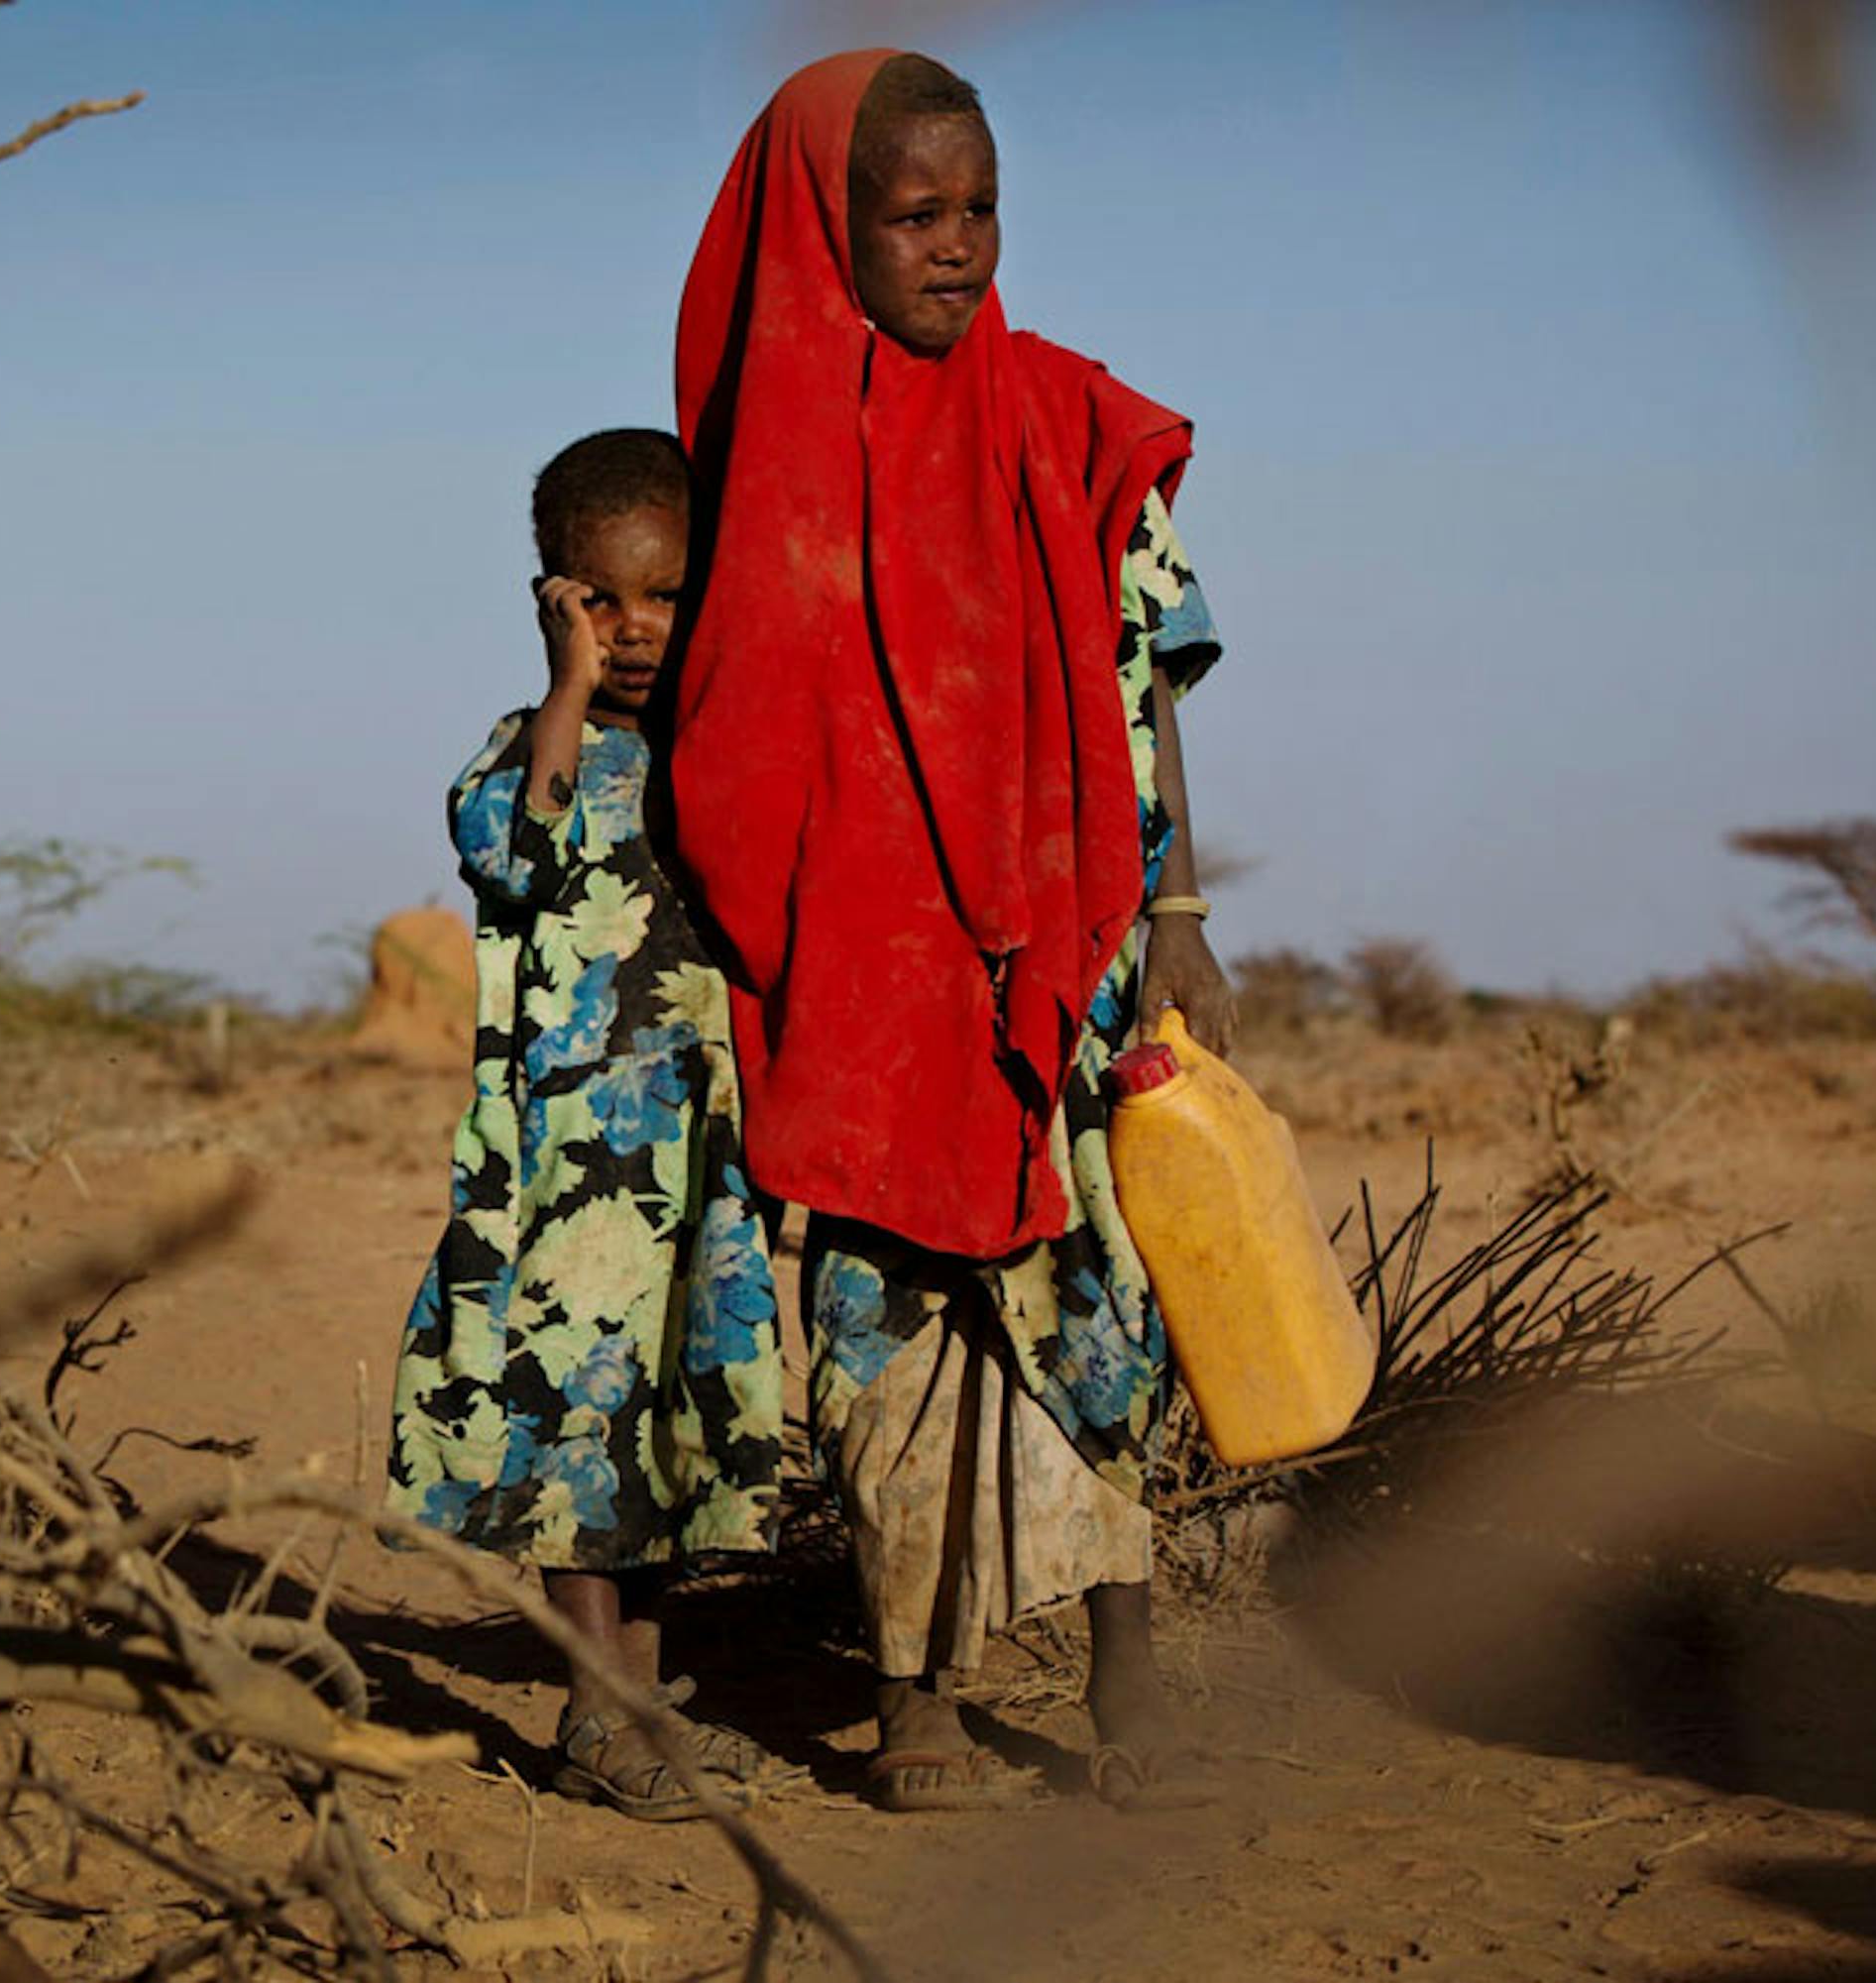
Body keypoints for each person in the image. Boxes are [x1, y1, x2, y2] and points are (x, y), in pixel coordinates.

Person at [668, 51, 1238, 1814]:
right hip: (859, 977)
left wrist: (1183, 909)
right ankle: (918, 1684)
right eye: (914, 216)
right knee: (883, 1325)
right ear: (825, 232)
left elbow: (1150, 684)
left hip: (1063, 953)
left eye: (981, 208)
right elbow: (716, 738)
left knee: (1104, 1303)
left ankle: (1131, 1676)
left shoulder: (1067, 417)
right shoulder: (754, 475)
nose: (959, 248)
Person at [387, 428, 785, 1822]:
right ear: (551, 595)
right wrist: (563, 688)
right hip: (566, 1168)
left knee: (664, 1424)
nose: (633, 631)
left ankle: (642, 1704)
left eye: (665, 596)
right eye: (598, 600)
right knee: (575, 1426)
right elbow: (516, 845)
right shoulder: (526, 749)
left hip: (694, 1162)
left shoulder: (721, 755)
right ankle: (591, 1712)